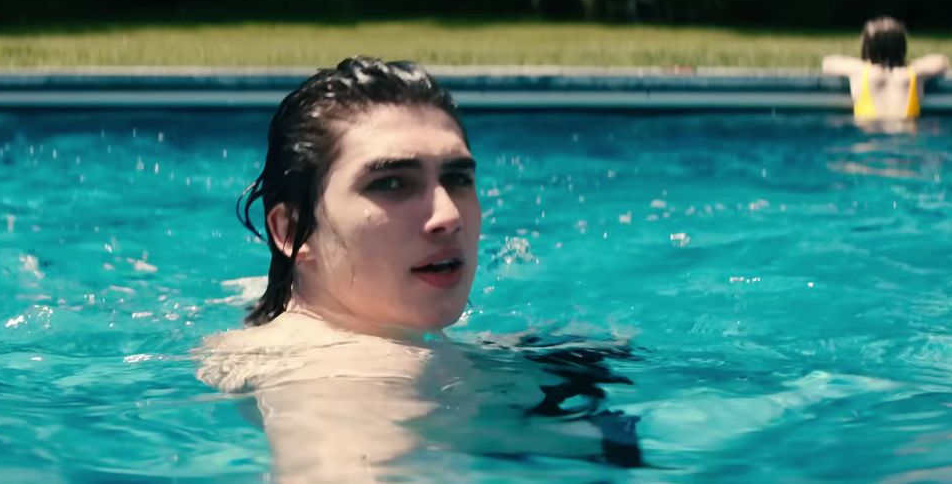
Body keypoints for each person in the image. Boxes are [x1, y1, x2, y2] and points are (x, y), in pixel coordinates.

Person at [195, 57, 641, 482]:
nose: (448, 215)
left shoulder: (327, 340)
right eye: (391, 183)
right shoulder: (346, 378)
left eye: (458, 178)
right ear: (292, 230)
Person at [822, 17, 950, 127]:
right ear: (902, 47)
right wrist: (907, 64)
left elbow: (827, 63)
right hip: (904, 143)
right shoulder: (912, 74)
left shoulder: (860, 71)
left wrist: (865, 63)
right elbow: (942, 61)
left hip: (870, 143)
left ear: (867, 47)